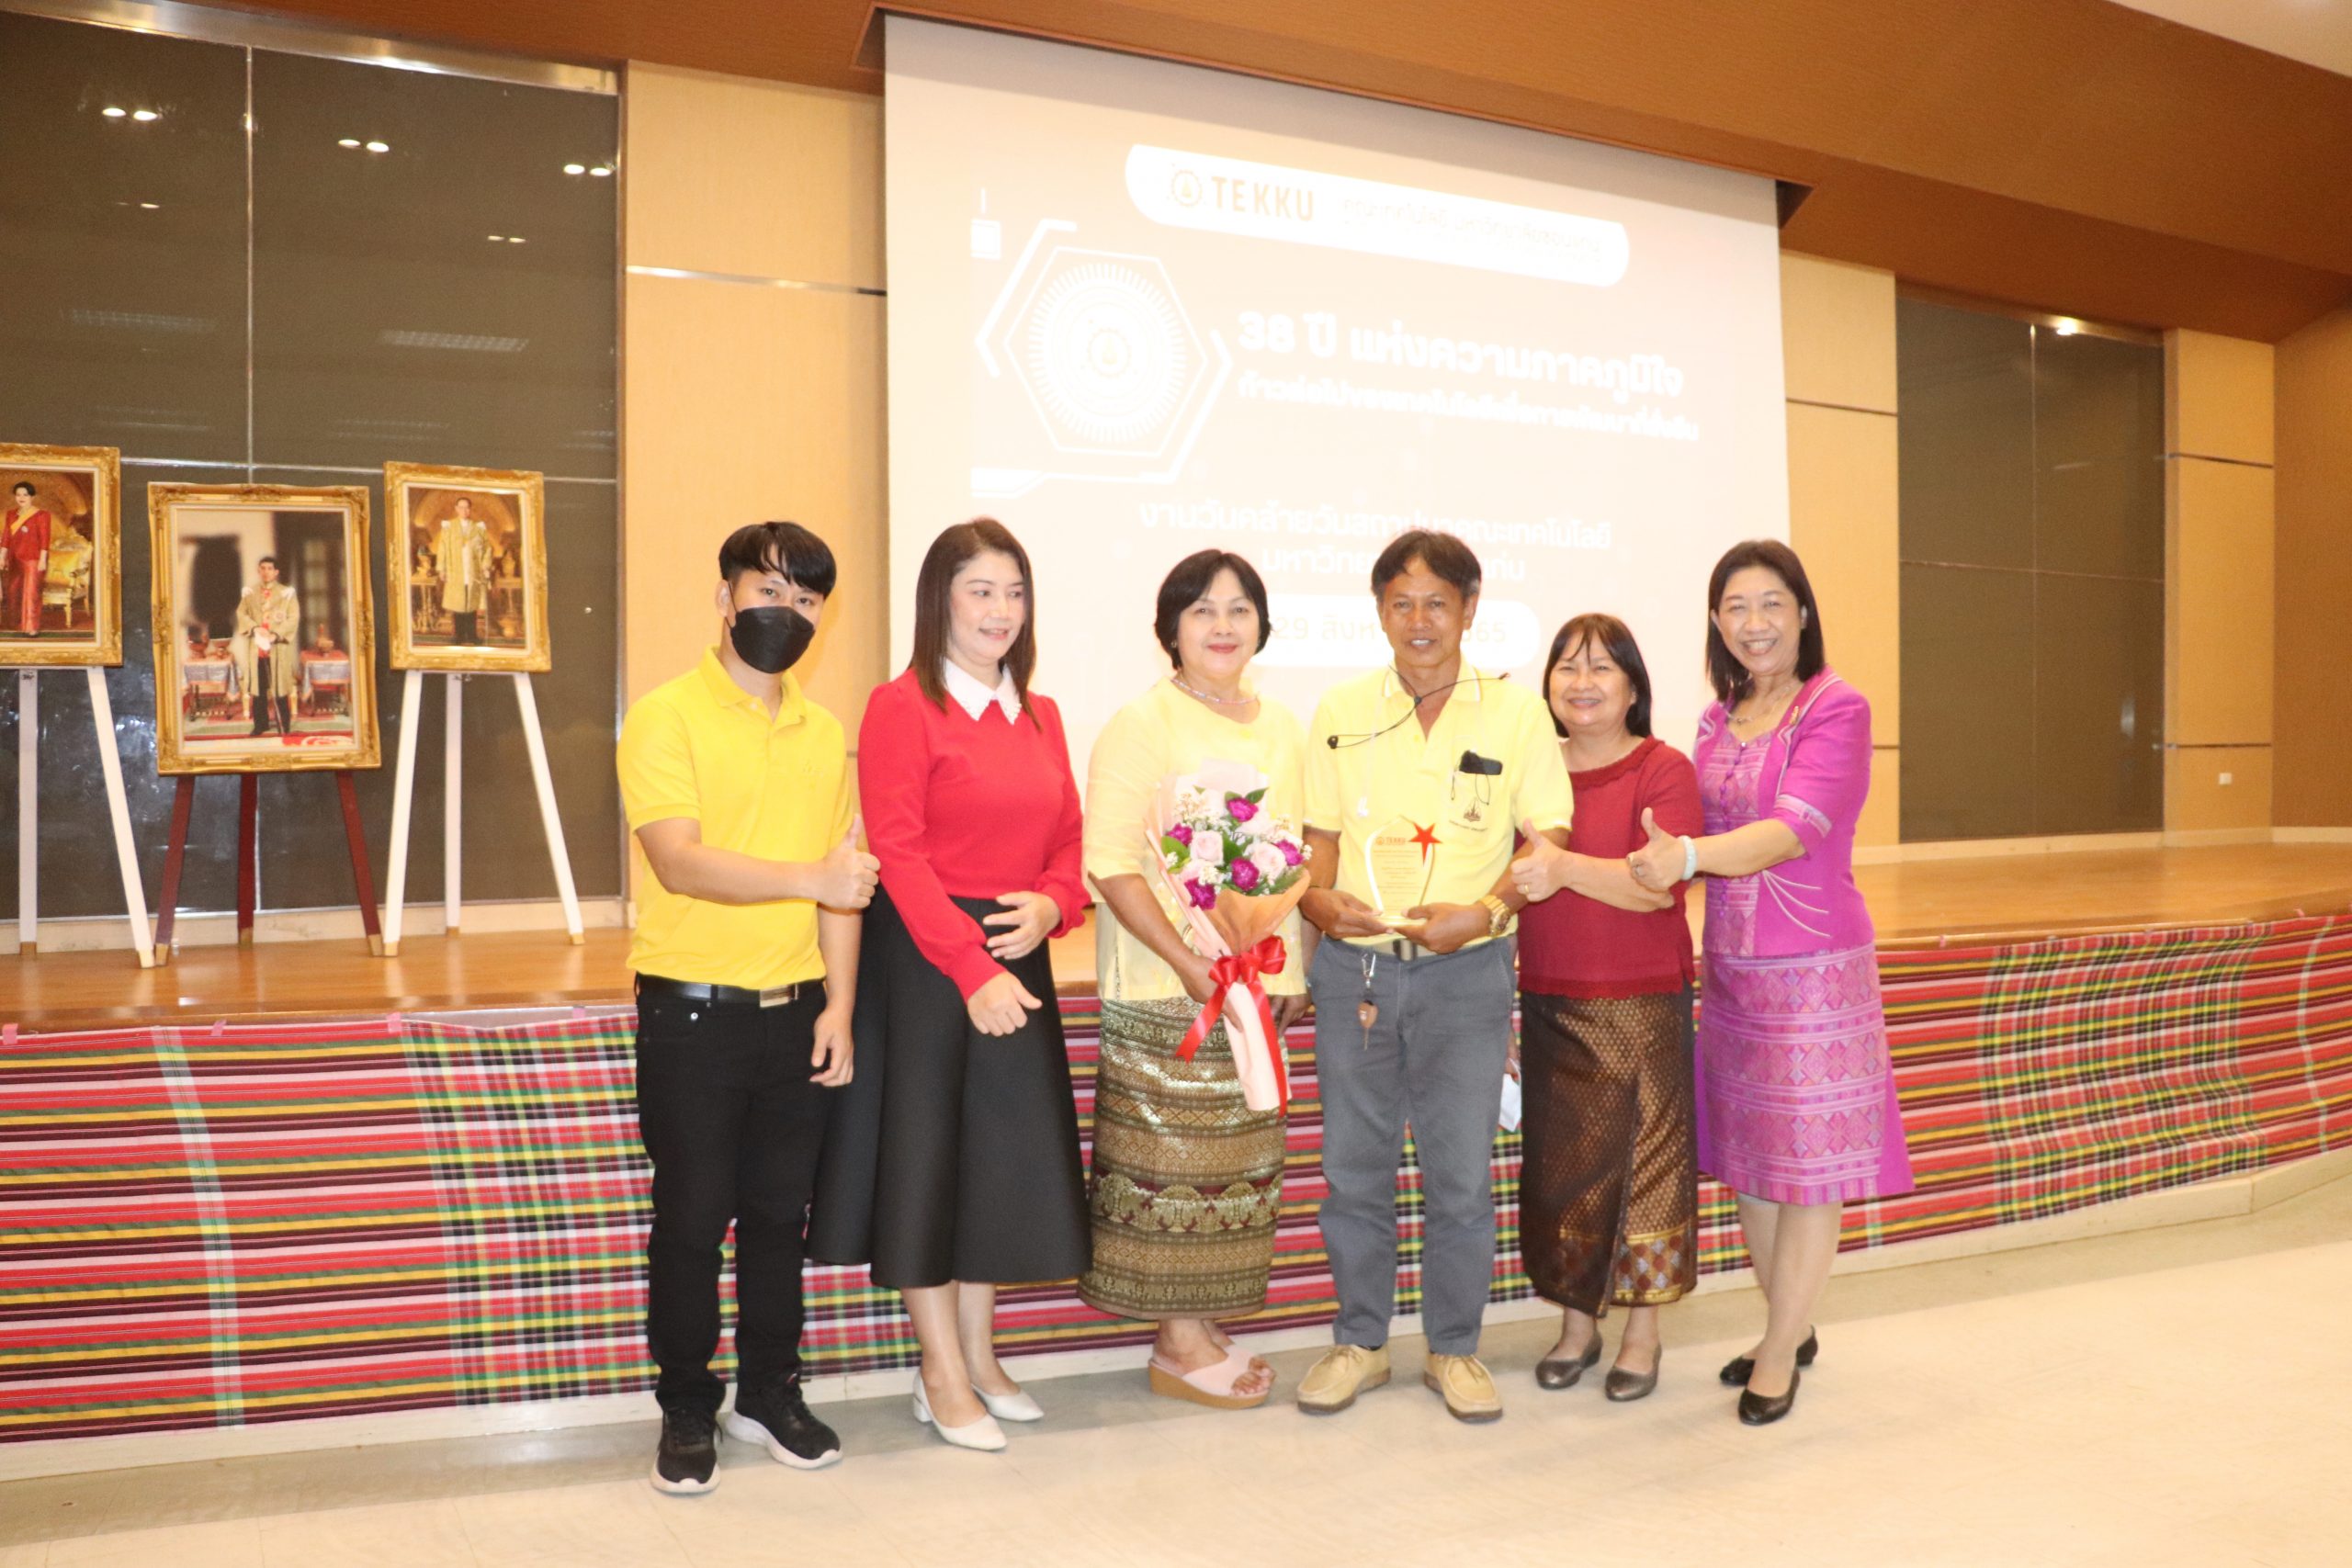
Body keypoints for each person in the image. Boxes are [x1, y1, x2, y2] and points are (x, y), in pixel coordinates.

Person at [810, 518, 1091, 1452]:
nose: (1000, 610)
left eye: (1014, 591)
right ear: (940, 599)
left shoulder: (1042, 713)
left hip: (1019, 953)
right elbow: (898, 853)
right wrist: (971, 967)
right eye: (980, 590)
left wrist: (1053, 906)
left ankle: (979, 1354)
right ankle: (938, 1371)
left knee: (993, 1165)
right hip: (931, 965)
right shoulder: (900, 705)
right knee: (928, 1166)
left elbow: (1069, 839)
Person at [615, 520, 880, 1494]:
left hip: (795, 1010)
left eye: (807, 600)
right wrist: (811, 876)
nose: (787, 613)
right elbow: (678, 860)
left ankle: (770, 1390)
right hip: (691, 1016)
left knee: (778, 1218)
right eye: (769, 591)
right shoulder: (665, 716)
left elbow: (844, 888)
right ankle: (687, 1404)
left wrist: (839, 1006)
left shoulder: (823, 732)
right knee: (692, 1218)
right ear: (725, 597)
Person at [1628, 538, 1915, 1427]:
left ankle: (1781, 1348)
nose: (1753, 623)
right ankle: (1791, 1323)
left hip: (1815, 972)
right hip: (1734, 969)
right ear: (1717, 623)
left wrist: (1685, 856)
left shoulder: (1837, 707)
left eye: (1770, 604)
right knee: (1753, 1162)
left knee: (1809, 1173)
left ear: (1802, 612)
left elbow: (1794, 830)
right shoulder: (1717, 720)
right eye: (1735, 607)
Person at [1295, 529, 1574, 1424]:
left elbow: (1548, 840)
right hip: (1357, 974)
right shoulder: (1340, 708)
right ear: (1379, 612)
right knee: (1354, 1172)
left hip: (1469, 972)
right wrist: (1316, 900)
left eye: (1437, 604)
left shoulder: (1515, 713)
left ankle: (1454, 1348)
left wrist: (1485, 913)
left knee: (1459, 1177)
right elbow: (1318, 838)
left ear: (1469, 610)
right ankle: (1361, 1343)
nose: (1419, 621)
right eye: (1401, 604)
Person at [1076, 550, 1308, 1410]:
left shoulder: (1281, 725)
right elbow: (1109, 862)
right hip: (1161, 985)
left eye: (1240, 608)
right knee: (1169, 1166)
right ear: (1170, 627)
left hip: (1251, 980)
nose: (1222, 625)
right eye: (1203, 609)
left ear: (1261, 626)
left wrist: (1286, 965)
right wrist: (1188, 961)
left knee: (1236, 1164)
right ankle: (1175, 1341)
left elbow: (1290, 858)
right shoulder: (1141, 723)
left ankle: (1201, 1318)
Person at [1508, 615, 1702, 1402]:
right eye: (1566, 666)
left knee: (1648, 1175)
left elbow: (1655, 888)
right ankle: (1576, 1325)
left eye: (1600, 668)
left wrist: (1561, 867)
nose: (1581, 682)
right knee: (1564, 1178)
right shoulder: (1529, 771)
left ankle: (1642, 1335)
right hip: (1548, 999)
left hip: (1642, 1003)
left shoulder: (1664, 768)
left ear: (1632, 686)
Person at [232, 557, 300, 738]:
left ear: (276, 572)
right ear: (258, 570)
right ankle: (260, 725)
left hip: (277, 648)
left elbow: (293, 618)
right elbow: (241, 613)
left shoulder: (286, 593)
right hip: (257, 649)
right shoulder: (250, 593)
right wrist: (255, 628)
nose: (266, 572)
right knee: (258, 690)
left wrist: (275, 634)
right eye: (263, 568)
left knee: (280, 688)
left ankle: (283, 725)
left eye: (270, 568)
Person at [435, 496, 493, 644]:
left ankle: (472, 635)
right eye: (461, 507)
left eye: (467, 507)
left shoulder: (478, 527)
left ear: (470, 509)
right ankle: (459, 636)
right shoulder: (449, 527)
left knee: (471, 603)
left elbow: (487, 547)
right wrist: (442, 568)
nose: (464, 510)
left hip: (473, 571)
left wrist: (485, 565)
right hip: (455, 570)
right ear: (456, 509)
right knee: (458, 603)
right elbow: (442, 547)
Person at [4, 480, 51, 636]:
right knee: (13, 591)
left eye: (25, 494)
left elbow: (45, 539)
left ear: (32, 497)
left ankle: (31, 627)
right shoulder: (11, 514)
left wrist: (43, 560)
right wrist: (2, 556)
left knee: (31, 594)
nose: (21, 498)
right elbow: (6, 537)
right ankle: (16, 623)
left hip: (34, 559)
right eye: (18, 495)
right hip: (14, 558)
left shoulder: (42, 515)